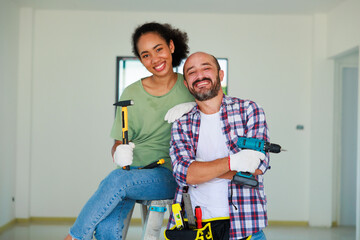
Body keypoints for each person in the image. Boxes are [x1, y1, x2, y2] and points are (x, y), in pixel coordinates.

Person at [64, 22, 194, 240]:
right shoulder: (131, 92)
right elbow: (118, 142)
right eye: (146, 55)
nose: (155, 59)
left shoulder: (190, 86)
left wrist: (194, 106)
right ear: (141, 60)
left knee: (116, 181)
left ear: (171, 46)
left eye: (159, 49)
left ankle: (73, 237)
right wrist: (118, 151)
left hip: (170, 174)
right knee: (106, 228)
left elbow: (216, 111)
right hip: (131, 173)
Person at [168, 52, 270, 240]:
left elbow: (257, 167)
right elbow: (185, 174)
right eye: (192, 72)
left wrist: (201, 168)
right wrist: (234, 162)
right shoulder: (181, 122)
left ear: (220, 75)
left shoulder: (249, 110)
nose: (200, 76)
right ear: (186, 83)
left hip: (245, 226)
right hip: (194, 228)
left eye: (206, 68)